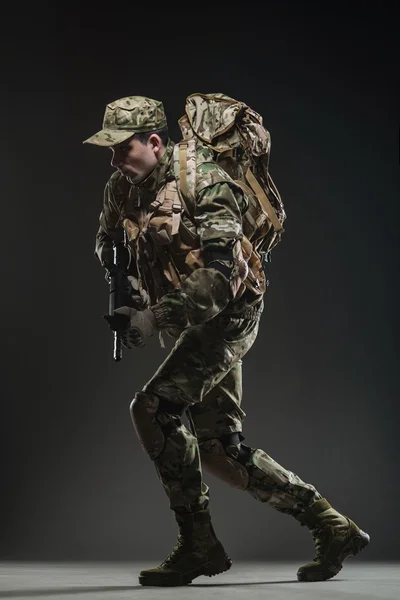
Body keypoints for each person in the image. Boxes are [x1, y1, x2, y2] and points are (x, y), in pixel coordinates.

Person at [83, 95, 370, 587]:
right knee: (219, 448)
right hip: (187, 319)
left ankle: (199, 546)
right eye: (109, 150)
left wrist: (153, 318)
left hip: (230, 315)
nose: (114, 160)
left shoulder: (207, 182)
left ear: (154, 141)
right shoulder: (121, 187)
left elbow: (222, 276)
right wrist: (124, 287)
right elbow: (108, 240)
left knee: (152, 408)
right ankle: (333, 526)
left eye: (122, 148)